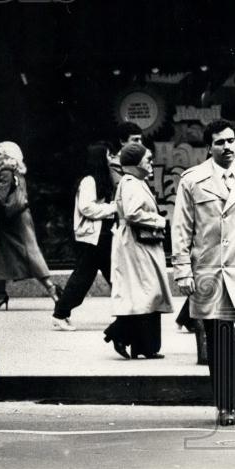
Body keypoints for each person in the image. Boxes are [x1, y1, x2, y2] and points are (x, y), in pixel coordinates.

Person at [172, 119, 235, 426]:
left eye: (230, 141)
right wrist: (182, 270)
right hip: (211, 271)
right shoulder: (192, 180)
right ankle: (225, 403)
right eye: (220, 143)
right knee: (220, 342)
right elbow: (182, 228)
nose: (227, 147)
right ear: (209, 147)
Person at [103, 142, 173, 359]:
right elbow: (133, 213)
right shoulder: (132, 183)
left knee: (146, 294)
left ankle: (142, 345)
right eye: (148, 159)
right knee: (148, 293)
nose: (151, 164)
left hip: (138, 244)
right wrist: (159, 221)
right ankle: (121, 334)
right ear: (136, 163)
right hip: (137, 244)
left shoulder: (133, 181)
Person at [0, 141, 60, 310]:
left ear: (7, 157)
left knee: (29, 252)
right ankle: (1, 295)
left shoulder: (5, 172)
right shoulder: (17, 172)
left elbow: (0, 198)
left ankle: (52, 289)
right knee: (0, 255)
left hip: (10, 220)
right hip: (20, 216)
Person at [51, 142, 117, 332]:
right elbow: (86, 208)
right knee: (83, 278)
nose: (110, 159)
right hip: (92, 237)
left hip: (101, 236)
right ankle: (60, 313)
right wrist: (112, 208)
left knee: (112, 275)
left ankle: (127, 313)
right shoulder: (89, 181)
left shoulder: (101, 179)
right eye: (108, 155)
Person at [109, 122, 144, 187]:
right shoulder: (115, 165)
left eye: (140, 140)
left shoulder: (139, 160)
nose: (140, 144)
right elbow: (125, 189)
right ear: (122, 142)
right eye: (135, 140)